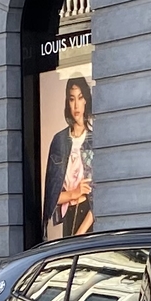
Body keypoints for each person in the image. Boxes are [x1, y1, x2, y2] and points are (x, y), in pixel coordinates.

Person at [41, 75, 97, 239]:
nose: (76, 105)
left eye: (80, 98)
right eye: (72, 99)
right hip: (68, 216)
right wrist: (74, 193)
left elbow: (98, 200)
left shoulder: (94, 140)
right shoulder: (59, 141)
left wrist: (80, 234)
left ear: (86, 100)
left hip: (87, 219)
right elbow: (51, 197)